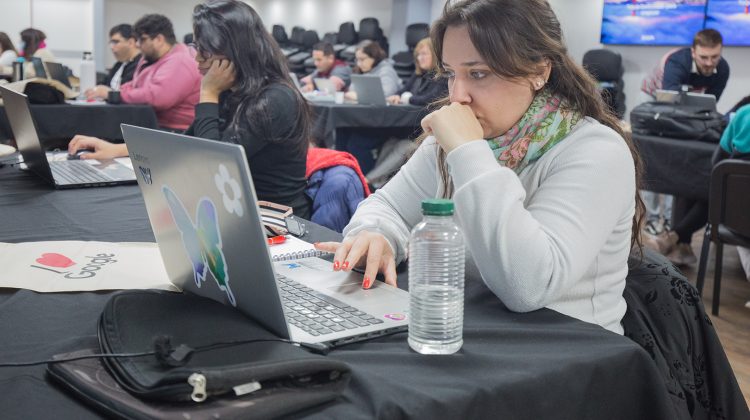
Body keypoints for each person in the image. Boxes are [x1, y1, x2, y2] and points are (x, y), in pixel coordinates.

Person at [315, 0, 644, 335]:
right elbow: (388, 206)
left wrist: (469, 151)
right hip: (474, 329)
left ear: (539, 71)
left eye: (478, 73)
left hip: (568, 352)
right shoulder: (460, 138)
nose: (458, 96)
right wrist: (377, 234)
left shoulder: (596, 151)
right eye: (450, 74)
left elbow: (529, 286)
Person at [69, 0, 312, 219]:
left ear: (232, 51)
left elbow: (211, 165)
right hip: (232, 210)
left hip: (274, 223)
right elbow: (186, 144)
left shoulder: (276, 98)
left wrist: (208, 94)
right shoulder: (233, 91)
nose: (197, 60)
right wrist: (118, 150)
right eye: (198, 48)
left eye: (204, 51)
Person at [639, 29, 729, 238]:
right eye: (704, 57)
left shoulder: (723, 69)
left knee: (675, 160)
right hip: (654, 97)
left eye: (714, 57)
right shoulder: (676, 63)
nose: (709, 63)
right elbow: (670, 107)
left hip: (686, 103)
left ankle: (671, 221)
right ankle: (653, 220)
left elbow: (708, 107)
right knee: (654, 157)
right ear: (693, 52)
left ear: (720, 53)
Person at [648, 104, 750, 266]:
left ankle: (673, 239)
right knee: (713, 189)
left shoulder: (745, 113)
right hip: (740, 216)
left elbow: (717, 161)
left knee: (702, 185)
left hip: (734, 221)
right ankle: (680, 244)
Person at [85, 14, 201, 131]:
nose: (138, 45)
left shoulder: (180, 61)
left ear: (159, 39)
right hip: (153, 125)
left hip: (173, 132)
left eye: (142, 39)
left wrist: (114, 95)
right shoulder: (152, 58)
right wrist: (119, 92)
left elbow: (156, 97)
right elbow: (135, 85)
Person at [386, 38, 447, 106]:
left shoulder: (442, 76)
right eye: (418, 54)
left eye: (424, 54)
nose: (419, 58)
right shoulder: (418, 73)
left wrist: (409, 99)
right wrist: (396, 96)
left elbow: (430, 99)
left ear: (435, 55)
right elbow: (403, 90)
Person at [89, 24, 141, 94]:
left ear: (131, 42)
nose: (112, 47)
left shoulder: (142, 65)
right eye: (111, 43)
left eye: (115, 42)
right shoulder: (119, 65)